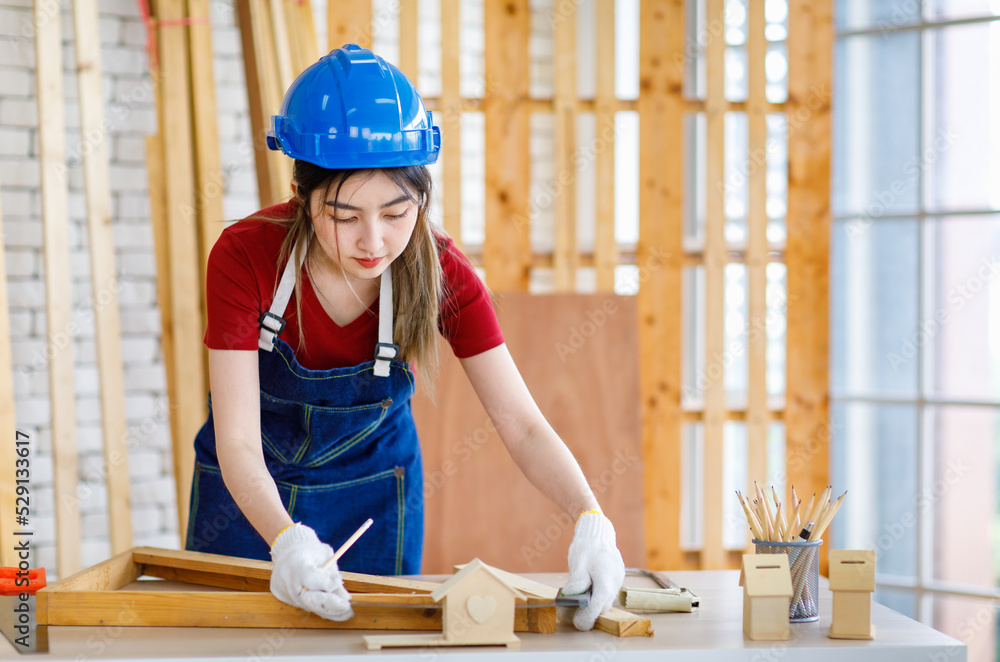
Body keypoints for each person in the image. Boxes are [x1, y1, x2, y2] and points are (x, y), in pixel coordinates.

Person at [185, 44, 625, 631]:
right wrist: (285, 540)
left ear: (421, 196)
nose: (373, 241)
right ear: (302, 194)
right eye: (344, 216)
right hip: (244, 499)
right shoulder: (245, 257)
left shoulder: (444, 275)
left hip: (372, 497)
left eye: (396, 214)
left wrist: (590, 517)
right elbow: (238, 443)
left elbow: (522, 425)